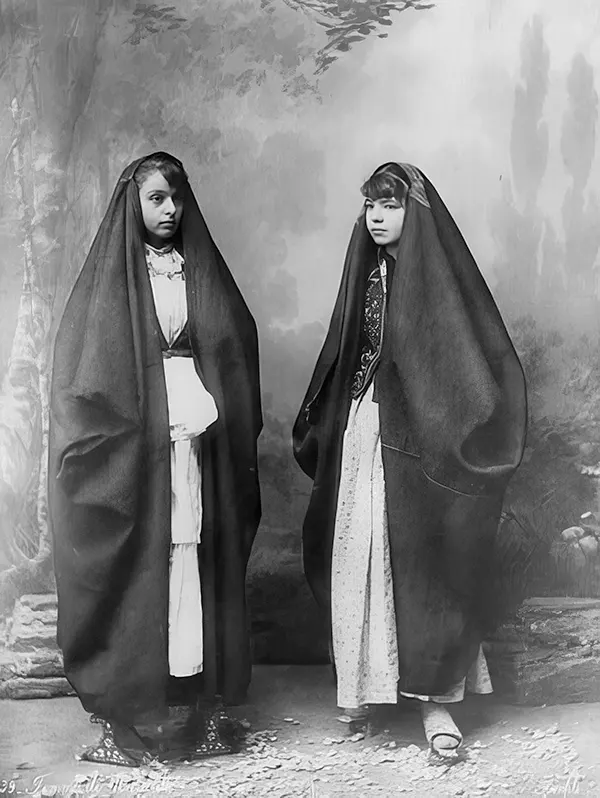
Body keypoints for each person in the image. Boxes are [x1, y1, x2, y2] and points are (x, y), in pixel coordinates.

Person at [293, 162, 527, 756]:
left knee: (426, 563)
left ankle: (437, 705)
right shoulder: (365, 273)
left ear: (414, 212)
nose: (376, 217)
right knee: (362, 550)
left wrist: (448, 424)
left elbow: (472, 365)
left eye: (391, 205)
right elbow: (345, 355)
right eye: (370, 205)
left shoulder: (441, 283)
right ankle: (366, 688)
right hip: (367, 431)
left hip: (426, 443)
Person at [48, 152, 262, 766]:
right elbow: (86, 366)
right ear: (133, 206)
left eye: (176, 198)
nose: (169, 211)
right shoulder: (114, 278)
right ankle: (130, 711)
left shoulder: (198, 269)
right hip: (136, 443)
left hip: (194, 434)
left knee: (195, 552)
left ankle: (194, 695)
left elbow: (233, 336)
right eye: (156, 200)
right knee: (147, 555)